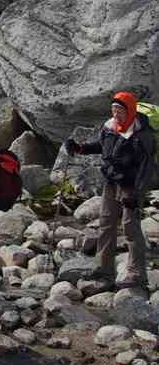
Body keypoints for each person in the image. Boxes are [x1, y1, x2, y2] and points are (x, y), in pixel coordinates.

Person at [65, 91, 155, 289]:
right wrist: (80, 148)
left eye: (120, 111)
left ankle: (137, 274)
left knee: (130, 227)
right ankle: (104, 270)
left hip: (130, 185)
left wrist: (136, 195)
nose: (116, 115)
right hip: (111, 181)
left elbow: (146, 168)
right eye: (114, 110)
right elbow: (103, 146)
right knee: (106, 223)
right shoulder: (110, 127)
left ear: (130, 110)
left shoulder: (142, 134)